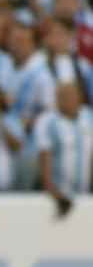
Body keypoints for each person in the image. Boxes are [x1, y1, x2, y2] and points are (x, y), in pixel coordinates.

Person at [35, 82, 93, 218]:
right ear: (56, 98)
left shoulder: (89, 117)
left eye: (71, 95)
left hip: (85, 192)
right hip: (60, 195)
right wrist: (54, 193)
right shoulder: (47, 121)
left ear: (80, 97)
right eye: (63, 96)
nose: (67, 100)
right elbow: (44, 157)